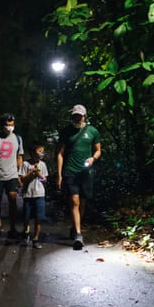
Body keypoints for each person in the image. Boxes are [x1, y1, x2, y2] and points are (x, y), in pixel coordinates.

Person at [56, 104, 101, 250]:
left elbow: (98, 150)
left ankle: (75, 227)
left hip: (86, 173)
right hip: (70, 171)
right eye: (75, 115)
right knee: (74, 201)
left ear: (84, 116)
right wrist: (59, 175)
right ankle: (78, 235)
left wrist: (92, 159)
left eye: (79, 115)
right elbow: (60, 153)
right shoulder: (66, 132)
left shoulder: (92, 131)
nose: (77, 118)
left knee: (82, 202)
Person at [0, 113, 24, 238]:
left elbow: (20, 156)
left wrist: (19, 174)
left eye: (12, 125)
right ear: (2, 125)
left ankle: (13, 228)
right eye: (7, 125)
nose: (10, 127)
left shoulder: (18, 138)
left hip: (12, 175)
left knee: (13, 200)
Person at [18, 141, 48, 249]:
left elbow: (45, 180)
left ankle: (36, 238)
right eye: (39, 151)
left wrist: (39, 173)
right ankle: (26, 235)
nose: (41, 153)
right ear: (32, 153)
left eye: (42, 152)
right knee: (26, 218)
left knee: (38, 218)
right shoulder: (26, 164)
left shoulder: (43, 165)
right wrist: (31, 172)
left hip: (39, 195)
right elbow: (22, 179)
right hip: (28, 195)